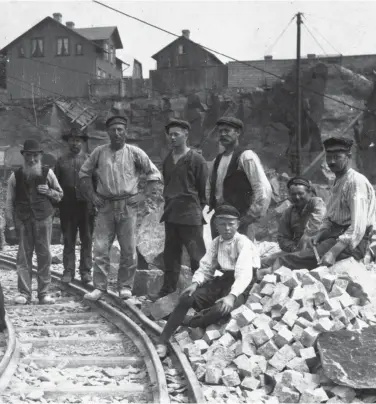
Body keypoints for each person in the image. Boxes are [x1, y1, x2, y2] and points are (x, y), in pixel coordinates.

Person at [155, 205, 260, 358]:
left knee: (221, 309)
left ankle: (190, 322)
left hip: (243, 283)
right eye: (223, 224)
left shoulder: (243, 242)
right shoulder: (217, 242)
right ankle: (162, 341)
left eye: (231, 224)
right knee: (186, 298)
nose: (227, 228)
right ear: (216, 225)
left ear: (237, 224)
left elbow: (244, 273)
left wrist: (232, 296)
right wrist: (195, 283)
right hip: (224, 279)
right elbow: (206, 266)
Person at [79, 115, 162, 301]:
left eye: (120, 130)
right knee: (100, 248)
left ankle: (125, 286)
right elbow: (83, 173)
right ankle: (100, 287)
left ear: (125, 132)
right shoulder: (99, 152)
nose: (117, 133)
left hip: (128, 205)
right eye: (113, 130)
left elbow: (154, 174)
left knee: (128, 249)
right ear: (108, 132)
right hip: (105, 205)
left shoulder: (134, 152)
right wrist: (92, 196)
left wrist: (142, 195)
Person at [273, 137, 376, 270]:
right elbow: (331, 217)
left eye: (337, 157)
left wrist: (332, 252)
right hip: (337, 236)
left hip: (355, 244)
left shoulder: (355, 182)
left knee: (293, 260)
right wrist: (319, 235)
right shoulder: (337, 181)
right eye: (328, 157)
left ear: (348, 157)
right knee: (297, 254)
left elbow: (358, 228)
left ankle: (262, 275)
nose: (331, 162)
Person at [5, 139, 63, 304]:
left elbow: (60, 195)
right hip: (23, 221)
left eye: (35, 156)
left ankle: (43, 293)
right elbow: (9, 202)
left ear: (40, 156)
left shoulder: (48, 173)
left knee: (45, 256)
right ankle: (24, 293)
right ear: (24, 156)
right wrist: (10, 225)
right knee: (23, 257)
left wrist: (50, 191)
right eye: (29, 156)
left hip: (44, 220)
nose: (32, 160)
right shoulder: (15, 176)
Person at [156, 119, 208, 298]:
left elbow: (203, 191)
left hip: (190, 215)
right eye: (170, 135)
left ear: (186, 135)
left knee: (197, 256)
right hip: (171, 214)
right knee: (171, 256)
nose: (172, 138)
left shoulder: (196, 159)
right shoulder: (168, 160)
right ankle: (168, 291)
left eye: (176, 134)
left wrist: (195, 208)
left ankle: (201, 292)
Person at [207, 116, 272, 239]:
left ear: (237, 133)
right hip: (220, 218)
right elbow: (210, 188)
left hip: (240, 219)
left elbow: (263, 188)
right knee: (220, 255)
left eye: (227, 131)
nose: (222, 134)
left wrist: (250, 216)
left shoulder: (246, 157)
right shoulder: (217, 160)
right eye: (220, 131)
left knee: (243, 255)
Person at [55, 127, 95, 284]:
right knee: (68, 239)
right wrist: (57, 206)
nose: (75, 143)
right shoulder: (61, 161)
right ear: (68, 142)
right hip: (67, 207)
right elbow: (56, 184)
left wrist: (96, 202)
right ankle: (68, 271)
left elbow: (97, 183)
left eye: (78, 140)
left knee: (87, 239)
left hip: (86, 207)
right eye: (72, 140)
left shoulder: (90, 160)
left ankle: (85, 271)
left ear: (83, 142)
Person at [260, 177, 326, 268]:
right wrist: (293, 248)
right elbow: (282, 237)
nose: (297, 197)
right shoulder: (289, 212)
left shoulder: (316, 203)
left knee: (277, 266)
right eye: (293, 194)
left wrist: (305, 237)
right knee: (263, 261)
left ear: (309, 193)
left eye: (300, 193)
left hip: (316, 248)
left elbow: (316, 223)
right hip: (296, 250)